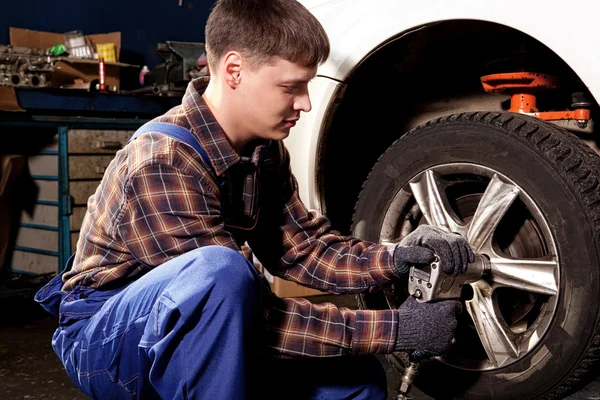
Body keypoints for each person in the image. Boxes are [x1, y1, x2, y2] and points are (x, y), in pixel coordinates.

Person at [34, 0, 474, 399]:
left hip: (200, 323)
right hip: (108, 341)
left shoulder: (263, 153)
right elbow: (235, 315)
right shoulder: (163, 160)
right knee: (221, 272)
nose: (304, 103)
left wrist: (397, 258)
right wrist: (393, 329)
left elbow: (306, 251)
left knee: (355, 382)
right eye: (291, 87)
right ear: (234, 70)